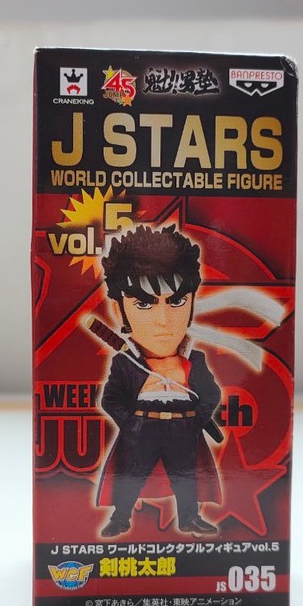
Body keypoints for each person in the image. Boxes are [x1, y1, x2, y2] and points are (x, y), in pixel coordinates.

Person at [95, 225, 222, 538]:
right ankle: (120, 518)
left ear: (191, 303)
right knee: (131, 475)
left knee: (186, 476)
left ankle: (189, 518)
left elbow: (210, 394)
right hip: (143, 427)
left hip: (183, 428)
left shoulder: (194, 360)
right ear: (119, 309)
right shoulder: (125, 363)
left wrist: (195, 421)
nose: (164, 321)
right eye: (143, 303)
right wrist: (132, 423)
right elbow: (110, 399)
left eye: (176, 302)